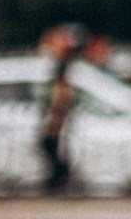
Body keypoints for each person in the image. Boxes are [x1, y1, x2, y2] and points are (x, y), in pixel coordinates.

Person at [39, 25, 86, 194]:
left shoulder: (64, 84)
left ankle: (59, 181)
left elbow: (60, 105)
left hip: (56, 127)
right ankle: (59, 180)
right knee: (54, 154)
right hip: (56, 127)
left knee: (54, 154)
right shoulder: (63, 83)